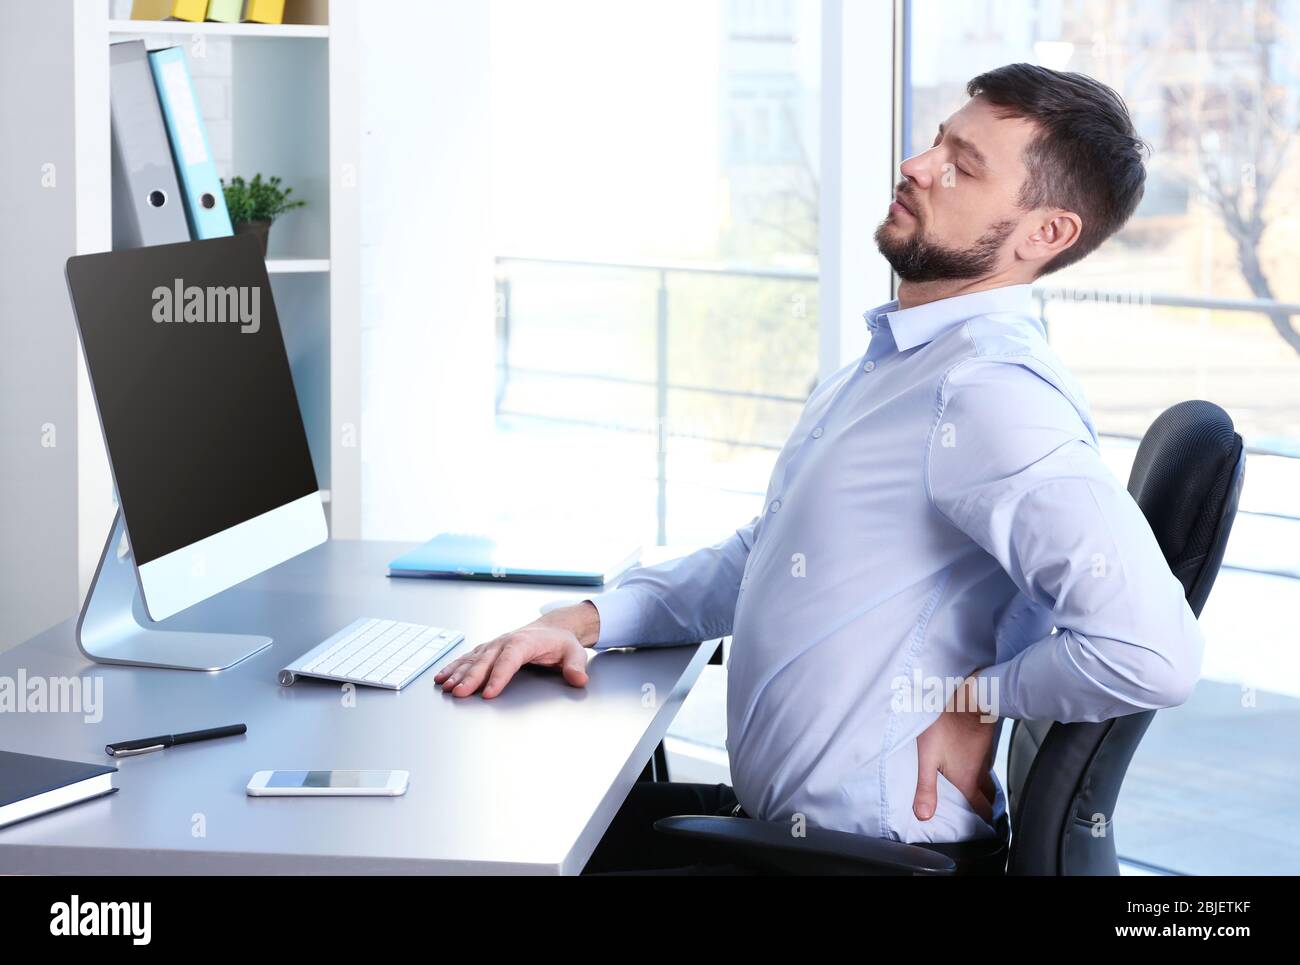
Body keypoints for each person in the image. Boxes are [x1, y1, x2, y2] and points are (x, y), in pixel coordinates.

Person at [435, 63, 1204, 874]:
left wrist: (980, 694)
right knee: (506, 822)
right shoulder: (894, 366)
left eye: (962, 164)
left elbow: (1153, 650)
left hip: (852, 859)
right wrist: (585, 621)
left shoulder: (992, 394)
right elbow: (762, 557)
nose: (916, 165)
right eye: (938, 141)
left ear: (1044, 233)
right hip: (787, 834)